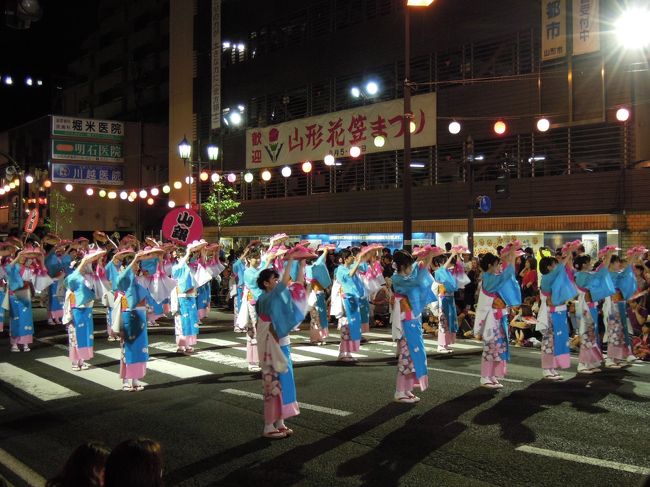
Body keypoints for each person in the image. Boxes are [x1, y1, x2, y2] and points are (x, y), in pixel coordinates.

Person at [255, 255, 306, 439]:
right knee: (271, 383)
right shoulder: (266, 298)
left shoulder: (276, 296)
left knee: (283, 383)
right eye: (274, 279)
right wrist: (291, 259)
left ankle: (280, 421)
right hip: (271, 343)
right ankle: (269, 425)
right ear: (266, 284)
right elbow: (286, 283)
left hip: (281, 342)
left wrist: (301, 264)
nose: (277, 282)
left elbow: (297, 287)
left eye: (277, 278)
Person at [391, 249, 435, 403]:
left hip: (412, 320)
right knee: (406, 356)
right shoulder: (397, 278)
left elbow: (416, 277)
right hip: (405, 322)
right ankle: (400, 391)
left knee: (413, 357)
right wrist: (426, 261)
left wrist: (424, 260)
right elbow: (416, 282)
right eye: (409, 265)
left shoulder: (405, 276)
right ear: (402, 266)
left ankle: (407, 389)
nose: (411, 268)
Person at [474, 248, 520, 388]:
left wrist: (509, 258)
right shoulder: (488, 278)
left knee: (499, 346)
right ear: (490, 265)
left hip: (498, 317)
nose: (499, 267)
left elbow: (506, 276)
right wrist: (510, 258)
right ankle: (485, 376)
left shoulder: (491, 277)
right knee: (491, 347)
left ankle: (492, 375)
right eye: (497, 264)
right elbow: (506, 276)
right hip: (491, 318)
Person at [537, 244, 578, 380]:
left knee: (555, 340)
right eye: (554, 264)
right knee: (549, 340)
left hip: (557, 312)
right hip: (550, 313)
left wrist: (568, 256)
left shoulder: (552, 277)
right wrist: (568, 254)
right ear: (549, 267)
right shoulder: (547, 278)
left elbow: (564, 271)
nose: (557, 267)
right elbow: (560, 270)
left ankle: (551, 367)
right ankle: (546, 368)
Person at [63, 249, 106, 371]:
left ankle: (81, 360)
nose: (88, 267)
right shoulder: (73, 277)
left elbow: (101, 278)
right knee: (76, 335)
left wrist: (98, 261)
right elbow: (69, 283)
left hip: (87, 308)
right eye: (85, 265)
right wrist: (83, 263)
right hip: (76, 309)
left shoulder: (89, 277)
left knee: (86, 335)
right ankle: (75, 362)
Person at [573, 250, 615, 374]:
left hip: (590, 306)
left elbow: (598, 274)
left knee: (591, 334)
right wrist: (606, 259)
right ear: (584, 264)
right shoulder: (581, 275)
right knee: (586, 334)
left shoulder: (586, 274)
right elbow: (598, 275)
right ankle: (582, 364)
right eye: (589, 262)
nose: (591, 263)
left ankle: (590, 362)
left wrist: (606, 259)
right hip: (585, 307)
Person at [114, 251, 150, 391]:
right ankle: (125, 380)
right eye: (135, 263)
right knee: (128, 347)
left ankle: (135, 379)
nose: (137, 266)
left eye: (137, 264)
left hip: (140, 315)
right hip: (128, 314)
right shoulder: (124, 276)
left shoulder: (136, 278)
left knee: (139, 348)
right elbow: (118, 282)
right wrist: (133, 259)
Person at [604, 250, 644, 368]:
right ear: (611, 264)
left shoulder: (617, 274)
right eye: (617, 263)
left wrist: (633, 257)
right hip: (613, 304)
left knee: (620, 332)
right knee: (614, 332)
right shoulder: (608, 274)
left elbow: (627, 271)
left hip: (619, 303)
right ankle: (610, 359)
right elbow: (626, 272)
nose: (619, 265)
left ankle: (616, 358)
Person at [306, 246, 332, 345]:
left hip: (316, 294)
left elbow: (322, 258)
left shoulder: (310, 268)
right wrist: (325, 250)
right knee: (316, 318)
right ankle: (314, 338)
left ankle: (318, 338)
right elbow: (322, 257)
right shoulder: (314, 267)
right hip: (314, 295)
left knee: (318, 318)